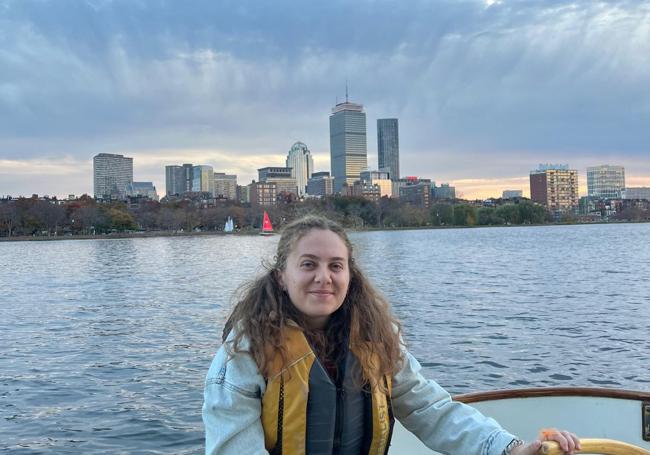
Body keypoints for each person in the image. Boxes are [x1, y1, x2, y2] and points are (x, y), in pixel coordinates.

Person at [203, 215, 581, 455]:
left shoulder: (377, 341)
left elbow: (433, 410)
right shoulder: (244, 352)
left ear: (350, 277)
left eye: (336, 265)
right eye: (308, 265)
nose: (324, 277)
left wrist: (512, 450)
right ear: (281, 277)